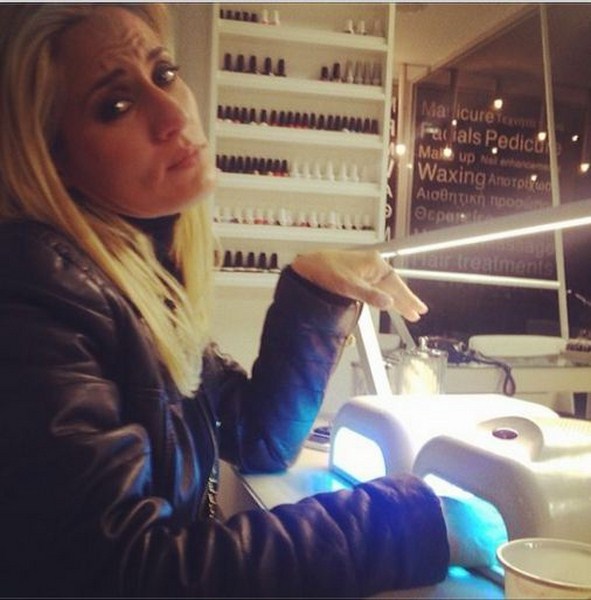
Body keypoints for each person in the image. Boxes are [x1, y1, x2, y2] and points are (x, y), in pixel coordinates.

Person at [0, 4, 494, 597]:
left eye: (163, 74)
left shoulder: (140, 284)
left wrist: (313, 293)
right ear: (53, 161)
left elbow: (256, 437)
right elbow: (125, 573)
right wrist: (405, 523)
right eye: (116, 106)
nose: (172, 114)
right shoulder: (35, 293)